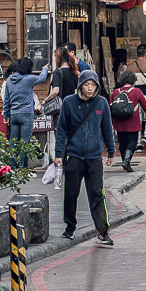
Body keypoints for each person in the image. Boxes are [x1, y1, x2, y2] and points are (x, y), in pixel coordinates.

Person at [54, 70, 116, 246]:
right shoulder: (69, 103)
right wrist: (58, 154)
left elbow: (107, 129)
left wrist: (111, 151)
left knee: (97, 193)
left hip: (94, 157)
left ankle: (103, 232)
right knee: (71, 193)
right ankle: (70, 227)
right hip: (73, 155)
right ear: (80, 85)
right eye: (87, 85)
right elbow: (62, 130)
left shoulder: (102, 103)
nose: (90, 88)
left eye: (93, 85)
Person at [2, 58, 49, 172]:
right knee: (24, 142)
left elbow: (7, 101)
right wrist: (45, 69)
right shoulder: (29, 79)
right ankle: (22, 168)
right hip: (26, 115)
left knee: (13, 142)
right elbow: (42, 78)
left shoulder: (9, 81)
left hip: (14, 115)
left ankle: (11, 167)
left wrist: (6, 116)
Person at [110, 70, 146, 172]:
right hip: (132, 122)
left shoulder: (115, 92)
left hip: (119, 122)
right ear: (133, 80)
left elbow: (110, 107)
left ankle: (124, 160)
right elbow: (145, 105)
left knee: (122, 142)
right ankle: (127, 160)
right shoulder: (136, 91)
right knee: (132, 141)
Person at [43, 47, 80, 130]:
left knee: (61, 136)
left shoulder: (58, 72)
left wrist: (46, 100)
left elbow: (56, 91)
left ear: (58, 58)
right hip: (73, 109)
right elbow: (77, 91)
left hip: (61, 110)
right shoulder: (75, 72)